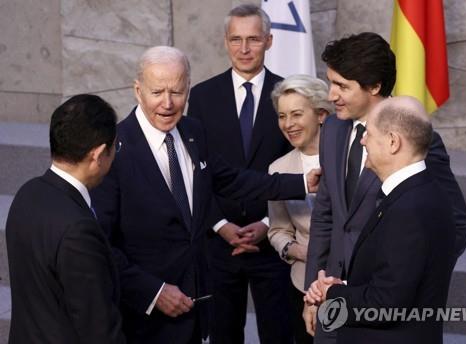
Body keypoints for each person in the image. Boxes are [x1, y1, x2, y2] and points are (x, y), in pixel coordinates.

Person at [90, 45, 317, 344]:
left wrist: (302, 182)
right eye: (157, 92)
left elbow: (233, 180)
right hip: (143, 318)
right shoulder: (114, 152)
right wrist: (153, 292)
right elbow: (103, 246)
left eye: (178, 91)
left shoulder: (193, 131)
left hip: (195, 306)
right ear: (137, 90)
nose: (168, 104)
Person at [304, 32, 466, 342]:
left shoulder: (418, 138)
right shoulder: (333, 129)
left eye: (342, 86)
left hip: (388, 316)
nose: (331, 95)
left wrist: (417, 287)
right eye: (330, 83)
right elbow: (326, 215)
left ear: (375, 87)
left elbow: (455, 221)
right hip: (332, 299)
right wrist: (312, 294)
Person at [187, 4, 294, 343]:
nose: (244, 49)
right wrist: (220, 226)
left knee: (278, 334)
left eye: (253, 39)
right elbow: (196, 168)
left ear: (269, 41)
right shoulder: (202, 96)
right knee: (222, 335)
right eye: (236, 39)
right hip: (220, 243)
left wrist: (267, 223)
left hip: (274, 241)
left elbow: (296, 163)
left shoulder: (290, 95)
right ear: (225, 41)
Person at [6, 94, 125, 343]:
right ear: (99, 154)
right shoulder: (78, 230)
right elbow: (99, 330)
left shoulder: (28, 192)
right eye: (115, 147)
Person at [267, 74, 334, 344]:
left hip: (348, 283)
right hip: (302, 284)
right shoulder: (278, 169)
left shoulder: (349, 159)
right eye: (282, 116)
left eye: (296, 114)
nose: (288, 124)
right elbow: (277, 229)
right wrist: (297, 250)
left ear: (320, 114)